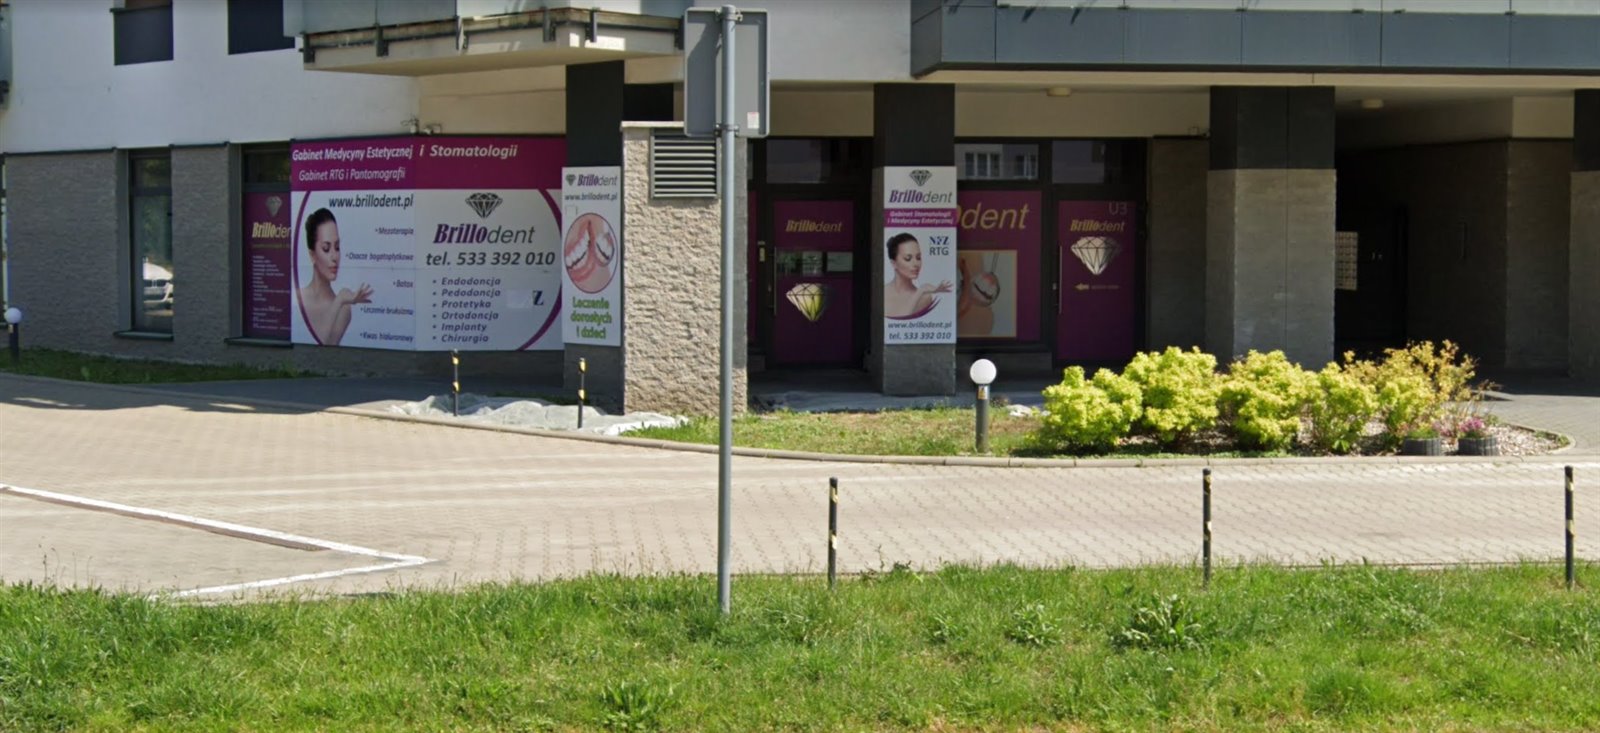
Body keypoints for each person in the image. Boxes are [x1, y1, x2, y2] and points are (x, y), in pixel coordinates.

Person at [298, 208, 371, 345]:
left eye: (337, 247)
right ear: (312, 255)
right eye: (326, 248)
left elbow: (324, 345)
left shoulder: (343, 309)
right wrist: (340, 299)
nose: (334, 257)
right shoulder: (298, 297)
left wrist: (339, 301)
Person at [884, 232, 951, 320]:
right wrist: (920, 291)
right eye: (908, 258)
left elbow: (906, 324)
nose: (916, 264)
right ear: (893, 263)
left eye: (918, 258)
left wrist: (920, 291)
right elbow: (897, 322)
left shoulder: (925, 298)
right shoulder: (883, 293)